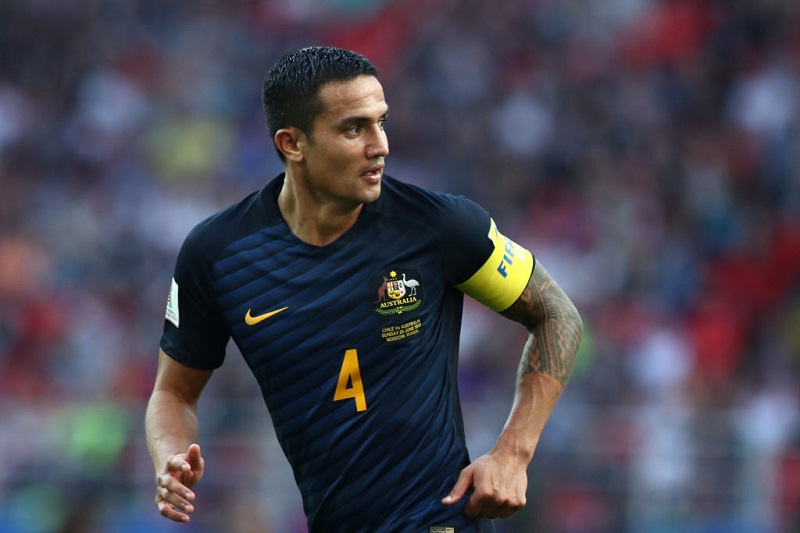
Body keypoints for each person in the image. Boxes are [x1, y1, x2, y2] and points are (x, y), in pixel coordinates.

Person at [145, 46, 583, 532]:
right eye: (354, 129)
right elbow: (173, 392)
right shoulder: (218, 254)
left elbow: (557, 314)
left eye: (381, 122)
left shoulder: (438, 226)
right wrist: (170, 457)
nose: (380, 146)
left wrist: (513, 453)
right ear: (292, 144)